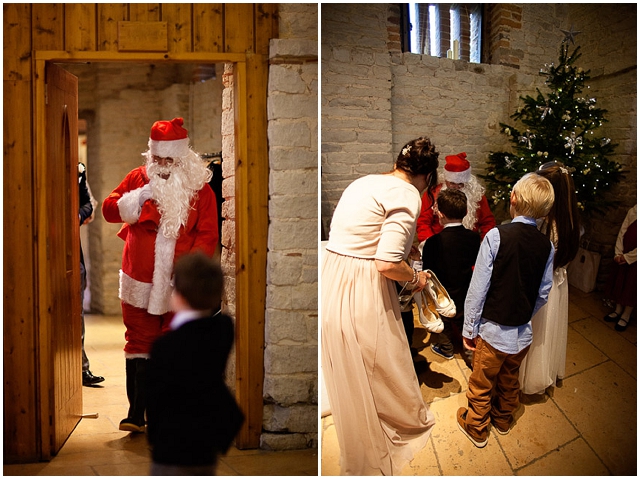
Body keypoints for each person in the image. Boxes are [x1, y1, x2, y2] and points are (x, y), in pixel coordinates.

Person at [321, 137, 439, 475]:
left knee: (357, 356)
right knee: (384, 355)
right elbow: (386, 263)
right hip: (362, 285)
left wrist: (405, 250)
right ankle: (395, 417)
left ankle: (365, 408)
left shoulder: (367, 181)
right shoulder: (407, 195)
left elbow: (365, 234)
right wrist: (414, 280)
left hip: (336, 274)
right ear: (427, 177)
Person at [102, 117, 219, 433]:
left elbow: (207, 234)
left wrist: (188, 276)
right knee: (139, 342)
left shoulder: (201, 190)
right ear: (150, 155)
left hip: (178, 285)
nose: (164, 165)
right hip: (137, 280)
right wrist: (135, 200)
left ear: (183, 158)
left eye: (170, 159)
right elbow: (109, 210)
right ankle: (136, 413)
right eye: (158, 158)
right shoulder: (137, 179)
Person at [458, 172, 555, 448]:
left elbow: (478, 289)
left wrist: (469, 328)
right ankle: (502, 418)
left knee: (482, 380)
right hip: (522, 335)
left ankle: (477, 426)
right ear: (545, 211)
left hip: (492, 334)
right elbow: (543, 292)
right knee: (510, 378)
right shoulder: (546, 245)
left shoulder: (495, 236)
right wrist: (523, 311)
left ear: (513, 198)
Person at [147, 252, 243, 475]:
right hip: (207, 440)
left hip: (172, 446)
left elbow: (155, 398)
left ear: (178, 296)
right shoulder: (223, 330)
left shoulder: (165, 346)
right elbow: (218, 318)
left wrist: (154, 436)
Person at [519, 161, 581, 396]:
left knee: (538, 332)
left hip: (543, 284)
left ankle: (531, 377)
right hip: (558, 284)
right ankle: (546, 370)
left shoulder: (549, 226)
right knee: (549, 331)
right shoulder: (570, 220)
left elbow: (537, 260)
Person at [422, 188, 480, 364]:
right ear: (466, 212)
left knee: (444, 321)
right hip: (465, 288)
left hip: (443, 294)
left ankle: (446, 348)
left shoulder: (432, 243)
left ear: (440, 214)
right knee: (464, 321)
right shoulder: (474, 237)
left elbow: (428, 271)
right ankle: (470, 353)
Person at [416, 152, 496, 243]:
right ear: (446, 179)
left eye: (461, 184)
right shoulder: (432, 194)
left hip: (469, 245)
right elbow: (422, 223)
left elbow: (488, 222)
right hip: (439, 243)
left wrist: (483, 244)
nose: (457, 187)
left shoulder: (476, 195)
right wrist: (432, 244)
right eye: (453, 183)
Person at [78, 162, 104, 387]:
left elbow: (90, 208)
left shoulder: (77, 170)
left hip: (71, 255)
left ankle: (81, 367)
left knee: (76, 315)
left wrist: (75, 215)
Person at [603, 204, 637, 332]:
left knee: (631, 286)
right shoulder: (634, 210)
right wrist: (619, 252)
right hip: (623, 252)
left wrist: (629, 257)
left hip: (634, 259)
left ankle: (626, 314)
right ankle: (617, 309)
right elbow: (623, 230)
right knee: (620, 281)